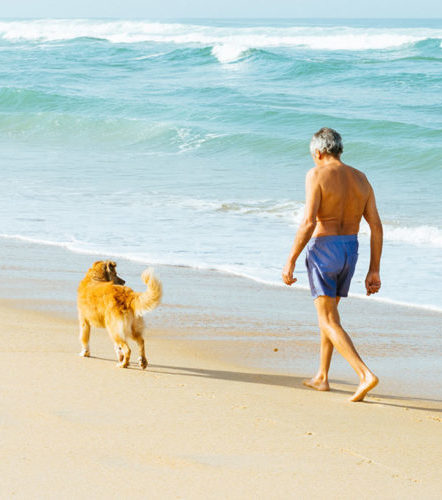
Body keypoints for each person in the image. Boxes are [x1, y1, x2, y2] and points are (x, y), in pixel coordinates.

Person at [282, 127, 382, 402]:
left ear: (319, 152)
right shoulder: (361, 178)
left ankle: (364, 374)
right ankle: (322, 377)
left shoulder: (316, 174)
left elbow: (309, 222)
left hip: (324, 250)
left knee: (327, 319)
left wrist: (290, 260)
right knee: (330, 318)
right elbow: (376, 226)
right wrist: (374, 269)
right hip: (350, 250)